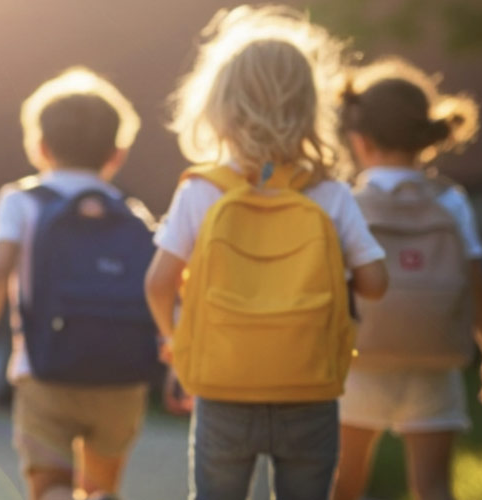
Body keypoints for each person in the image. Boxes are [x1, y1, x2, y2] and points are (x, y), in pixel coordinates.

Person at [142, 6, 388, 500]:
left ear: (219, 106)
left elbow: (157, 284)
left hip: (223, 390)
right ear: (309, 108)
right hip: (309, 388)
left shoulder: (201, 191)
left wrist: (175, 339)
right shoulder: (329, 194)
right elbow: (376, 284)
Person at [330, 58, 482, 500]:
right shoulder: (451, 202)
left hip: (360, 364)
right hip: (434, 362)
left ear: (360, 141)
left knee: (343, 485)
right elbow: (476, 285)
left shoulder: (346, 205)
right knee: (433, 486)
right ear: (426, 138)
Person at [0, 67, 152, 500]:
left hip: (43, 374)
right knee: (102, 487)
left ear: (40, 147)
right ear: (117, 154)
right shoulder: (132, 212)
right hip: (122, 378)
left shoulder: (21, 201)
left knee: (50, 485)